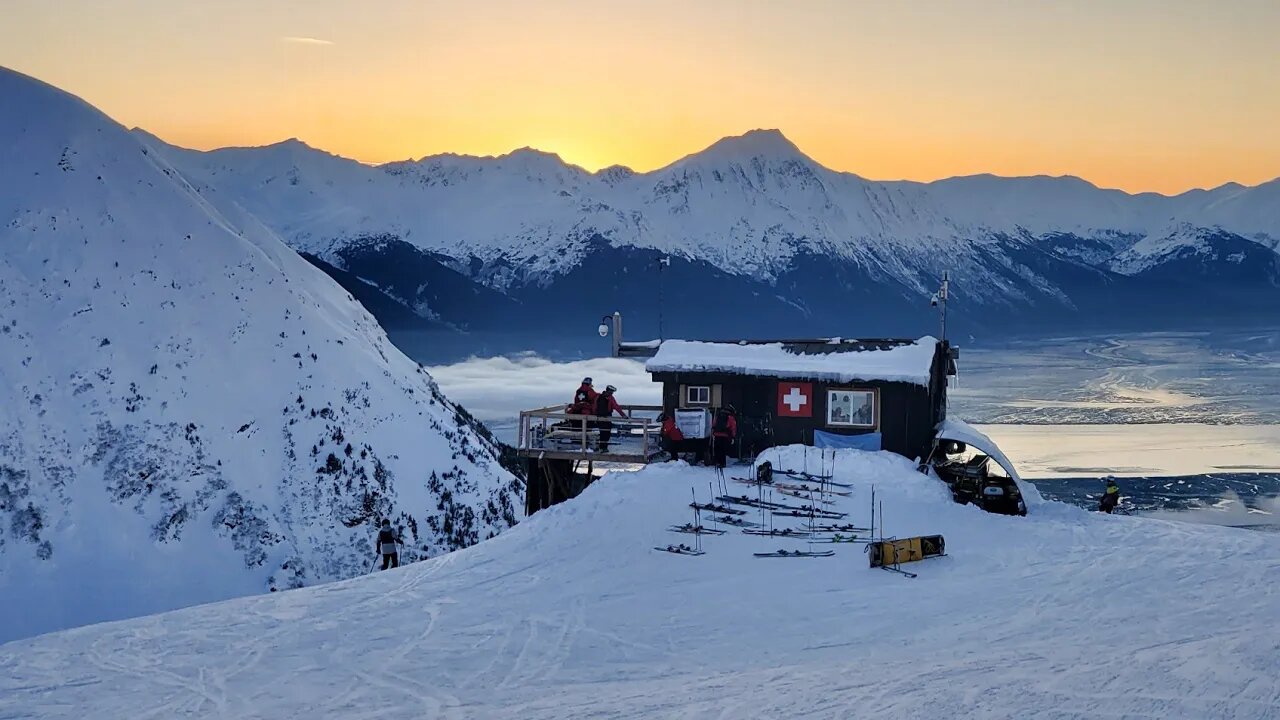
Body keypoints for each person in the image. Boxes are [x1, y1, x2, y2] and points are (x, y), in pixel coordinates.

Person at [594, 385, 625, 451]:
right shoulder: (610, 398)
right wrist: (623, 415)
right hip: (607, 418)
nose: (612, 393)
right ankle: (603, 447)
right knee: (606, 433)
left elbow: (594, 407)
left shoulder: (598, 397)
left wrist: (594, 416)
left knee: (602, 432)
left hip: (599, 418)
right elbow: (616, 407)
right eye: (612, 391)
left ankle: (601, 447)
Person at [711, 404, 738, 468]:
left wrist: (713, 433)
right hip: (725, 435)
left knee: (717, 449)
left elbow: (714, 424)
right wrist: (733, 436)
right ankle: (722, 463)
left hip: (717, 434)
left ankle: (717, 462)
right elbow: (733, 427)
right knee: (722, 450)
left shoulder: (718, 415)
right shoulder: (730, 417)